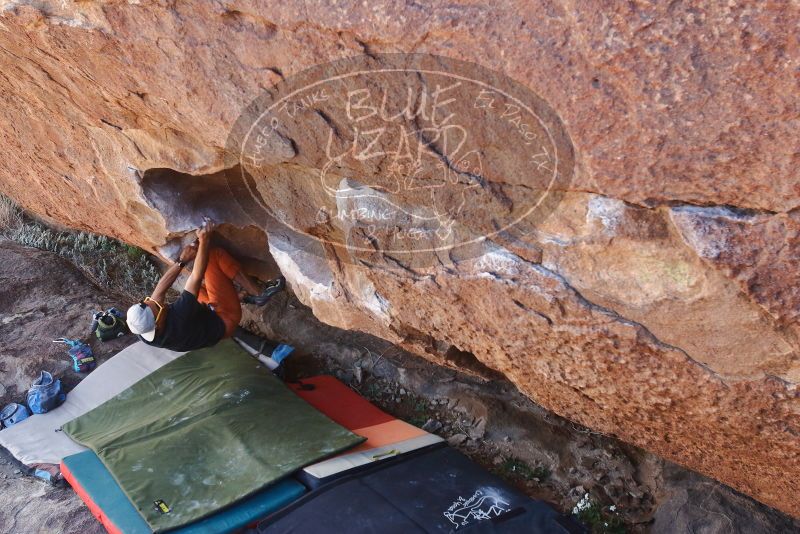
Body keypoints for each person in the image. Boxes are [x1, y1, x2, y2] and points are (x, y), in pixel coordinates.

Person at [126, 220, 284, 352]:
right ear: (157, 324)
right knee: (214, 257)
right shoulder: (179, 318)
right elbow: (196, 276)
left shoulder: (143, 329)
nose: (157, 302)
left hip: (206, 319)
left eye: (149, 302)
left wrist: (182, 261)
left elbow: (160, 289)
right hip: (225, 319)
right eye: (158, 308)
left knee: (200, 290)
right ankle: (258, 293)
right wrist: (204, 239)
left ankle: (238, 297)